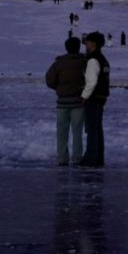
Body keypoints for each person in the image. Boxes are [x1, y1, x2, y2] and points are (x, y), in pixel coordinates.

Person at [45, 37, 86, 166]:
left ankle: (62, 158)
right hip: (78, 102)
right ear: (78, 47)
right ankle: (77, 158)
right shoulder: (83, 62)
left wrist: (59, 88)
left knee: (62, 131)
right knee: (77, 131)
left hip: (62, 102)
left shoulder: (59, 63)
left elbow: (49, 79)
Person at [78, 31, 110, 168]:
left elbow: (91, 81)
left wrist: (83, 96)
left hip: (93, 98)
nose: (85, 44)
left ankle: (90, 160)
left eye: (88, 41)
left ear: (94, 43)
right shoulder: (103, 59)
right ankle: (98, 159)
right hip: (101, 97)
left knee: (92, 130)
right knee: (97, 129)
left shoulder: (92, 60)